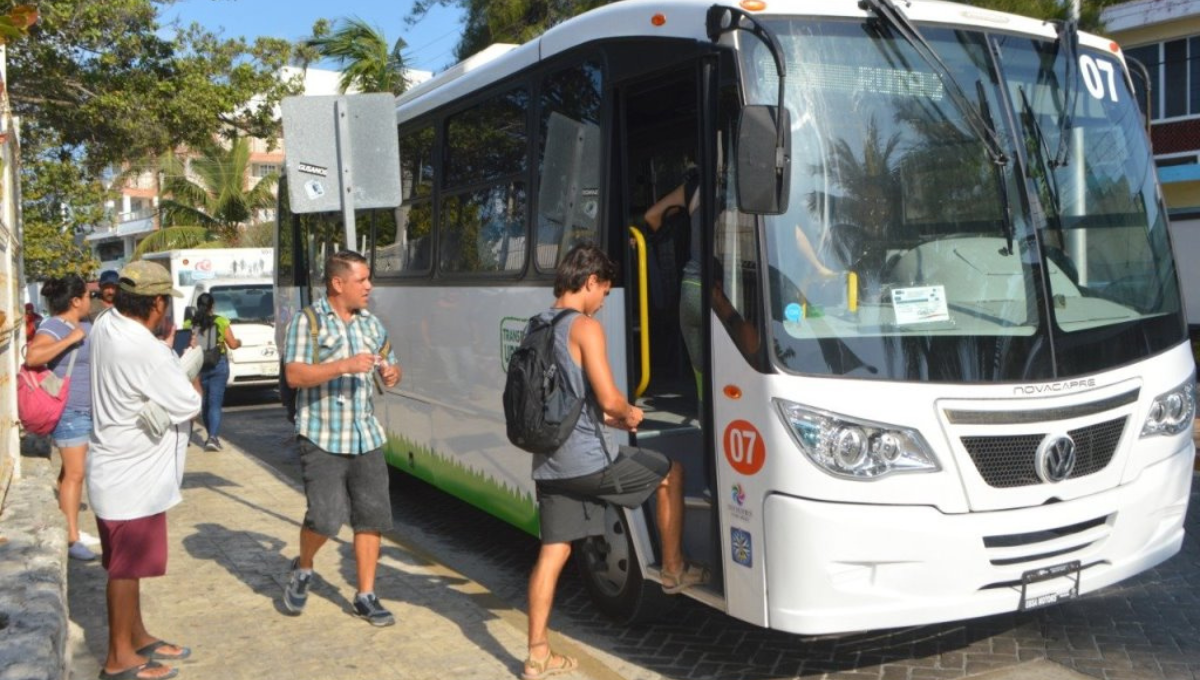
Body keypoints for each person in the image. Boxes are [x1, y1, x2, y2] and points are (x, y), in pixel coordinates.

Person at [523, 244, 705, 680]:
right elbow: (609, 398)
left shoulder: (536, 325)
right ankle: (674, 570)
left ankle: (536, 656)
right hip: (587, 464)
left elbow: (564, 397)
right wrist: (629, 414)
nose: (605, 300)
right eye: (604, 290)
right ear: (589, 283)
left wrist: (605, 415)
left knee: (552, 553)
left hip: (548, 463)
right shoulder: (584, 327)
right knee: (669, 473)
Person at [88, 260, 201, 680]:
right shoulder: (143, 347)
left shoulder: (105, 323)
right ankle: (119, 659)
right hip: (132, 479)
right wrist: (181, 364)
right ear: (156, 303)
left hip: (114, 469)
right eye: (164, 304)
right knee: (125, 569)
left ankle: (135, 636)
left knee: (127, 567)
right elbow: (188, 403)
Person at [281, 250, 402, 627]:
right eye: (362, 279)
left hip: (365, 436)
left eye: (369, 279)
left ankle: (366, 594)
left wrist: (391, 372)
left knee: (371, 518)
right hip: (322, 436)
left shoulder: (371, 324)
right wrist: (344, 365)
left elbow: (389, 361)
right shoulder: (309, 321)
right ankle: (303, 567)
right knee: (327, 518)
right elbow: (295, 376)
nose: (369, 286)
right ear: (338, 283)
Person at [24, 275, 97, 561]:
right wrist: (70, 339)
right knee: (76, 474)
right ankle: (71, 539)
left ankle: (71, 527)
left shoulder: (87, 325)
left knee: (70, 472)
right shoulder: (55, 325)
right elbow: (33, 357)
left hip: (86, 410)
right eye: (87, 296)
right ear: (75, 300)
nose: (91, 300)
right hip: (68, 411)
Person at [183, 292, 241, 451]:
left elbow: (186, 343)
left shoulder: (189, 323)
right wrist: (239, 342)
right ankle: (212, 438)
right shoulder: (221, 321)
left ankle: (186, 436)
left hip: (197, 366)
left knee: (200, 403)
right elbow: (233, 344)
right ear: (212, 306)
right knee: (214, 404)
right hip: (218, 364)